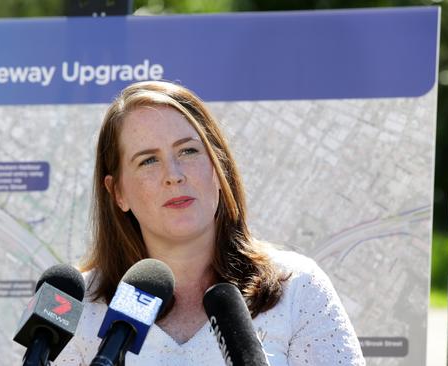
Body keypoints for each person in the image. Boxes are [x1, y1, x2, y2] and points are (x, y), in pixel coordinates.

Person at [54, 80, 365, 365]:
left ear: (218, 168)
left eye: (188, 151)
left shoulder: (297, 287)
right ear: (118, 192)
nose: (174, 175)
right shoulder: (78, 307)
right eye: (148, 160)